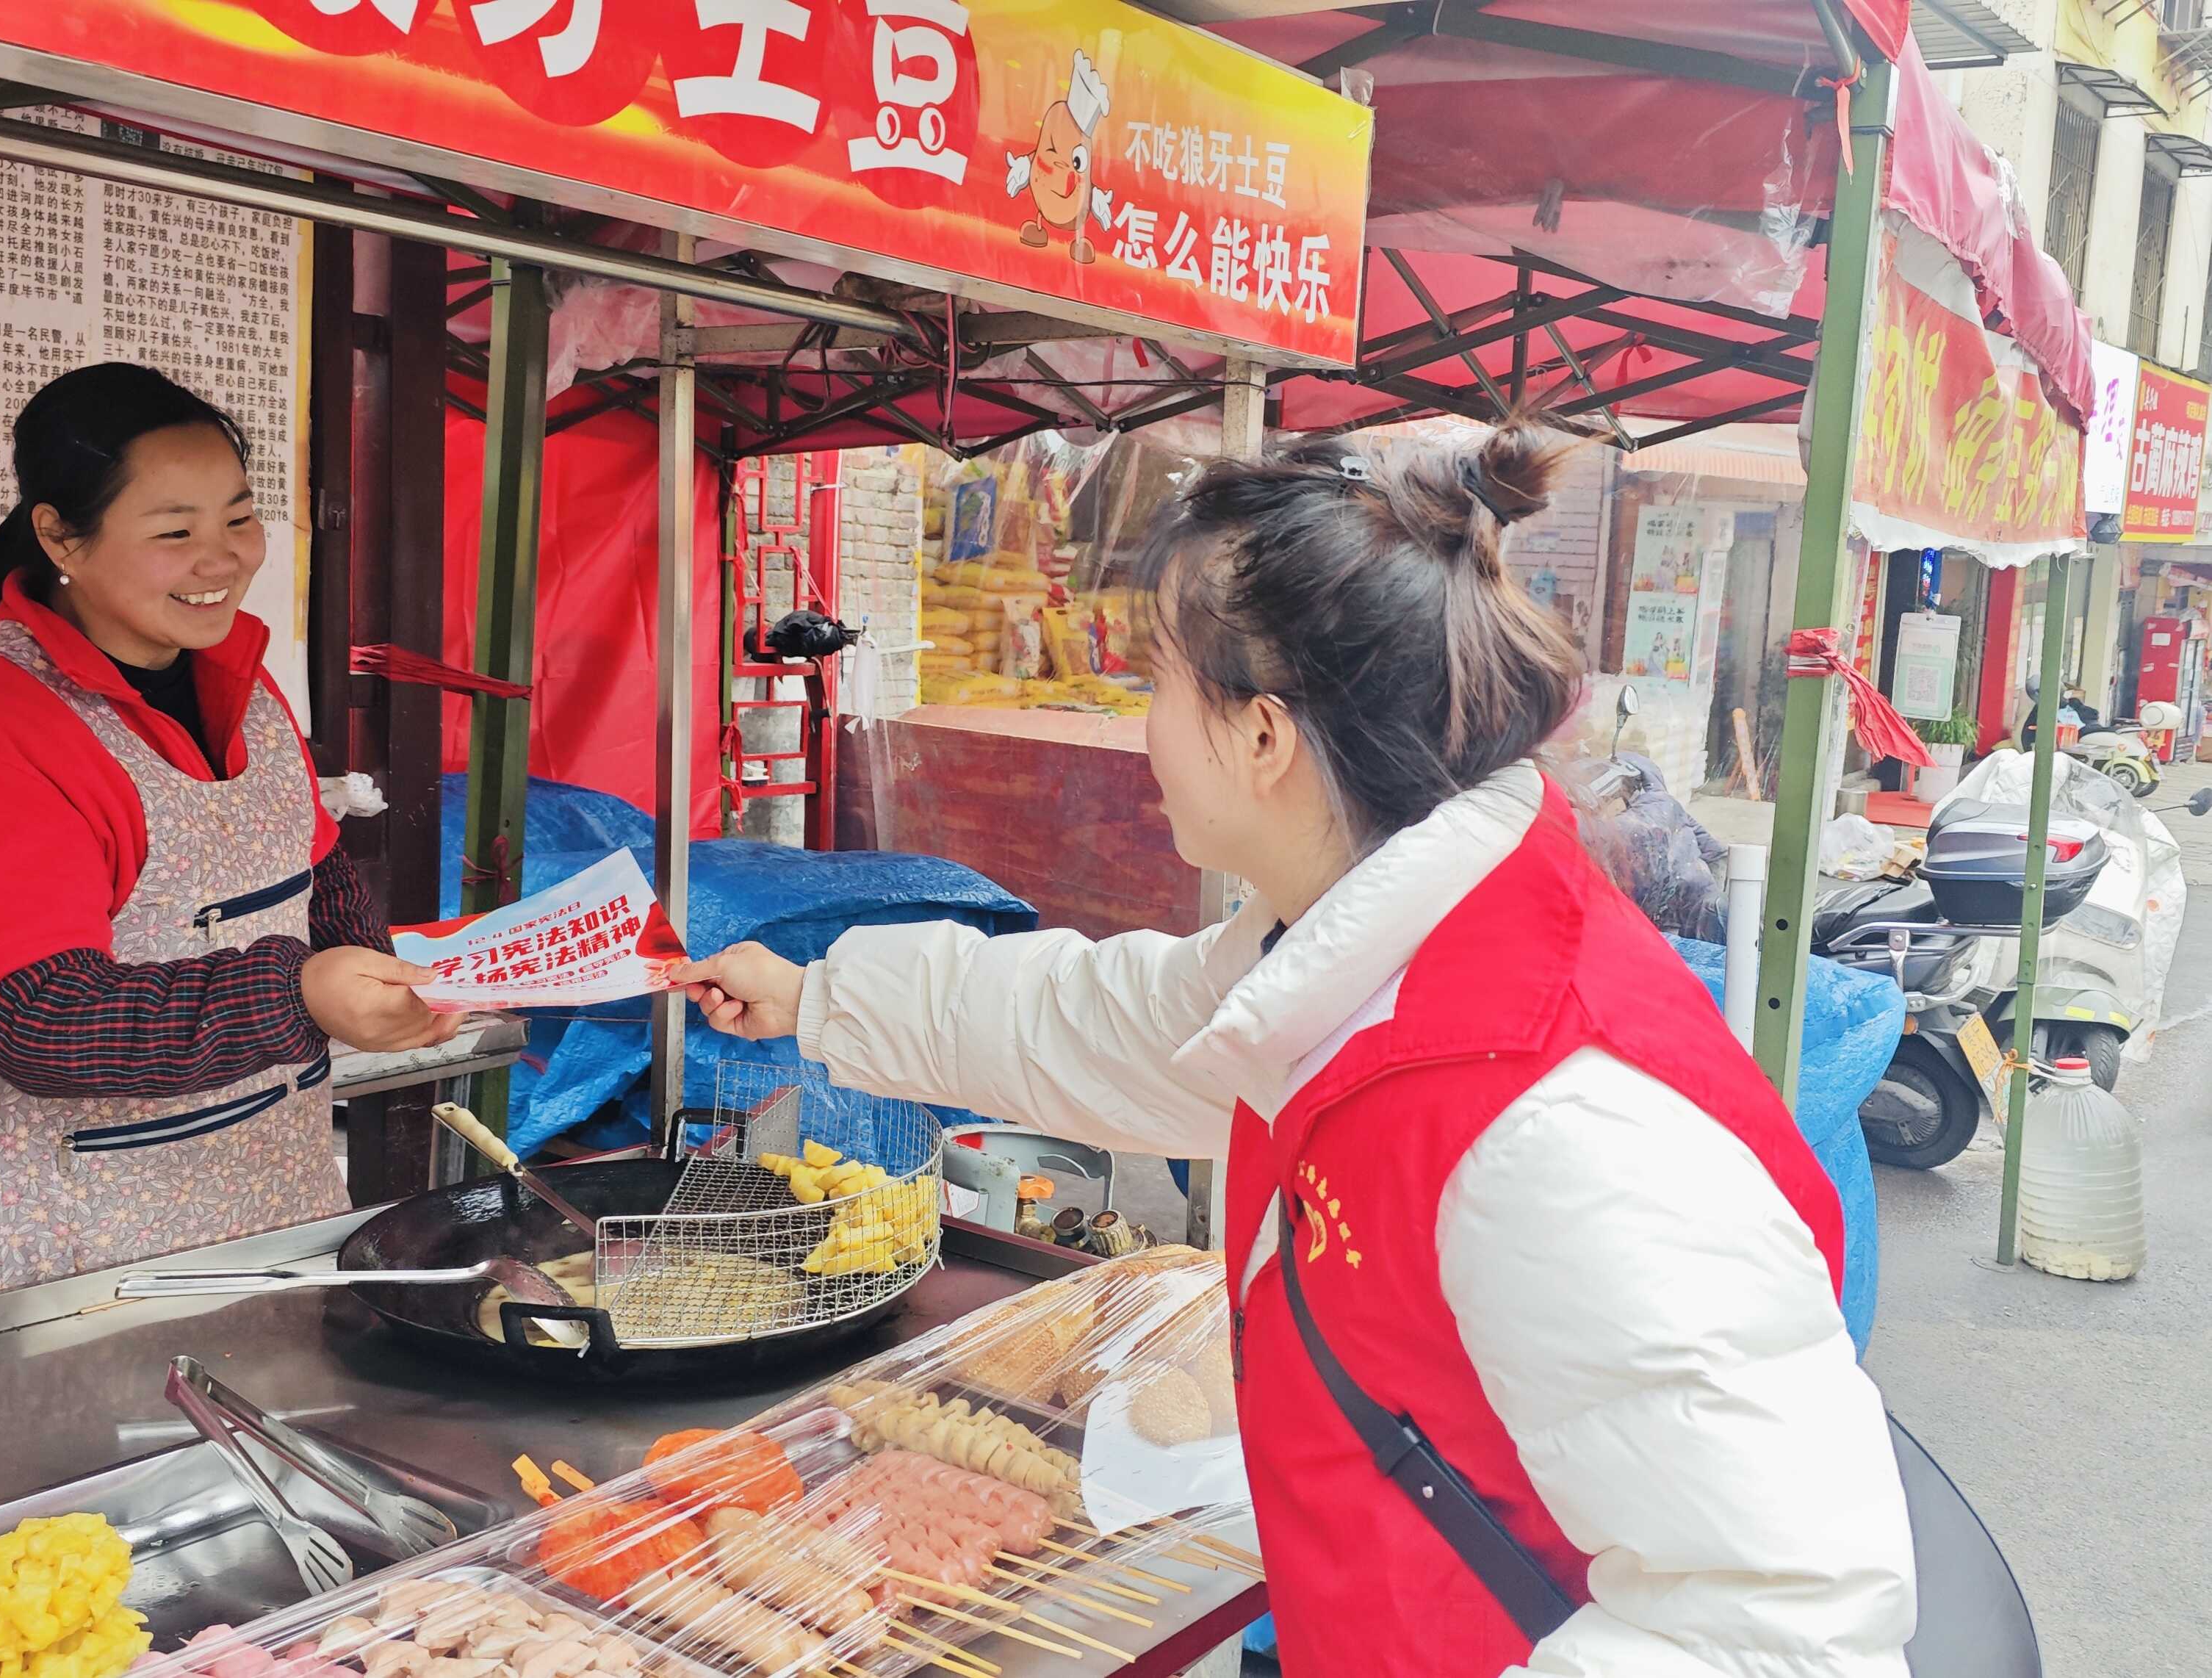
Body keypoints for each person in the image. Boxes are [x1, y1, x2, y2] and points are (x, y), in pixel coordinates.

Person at [677, 421, 1917, 1678]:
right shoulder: (1356, 961)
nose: (1142, 725)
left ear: (1262, 737)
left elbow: (1779, 1630)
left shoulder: (1555, 1116)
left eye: (1159, 682)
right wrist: (819, 996)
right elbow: (1106, 1019)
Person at [0, 362, 449, 1304]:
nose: (221, 560)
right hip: (79, 1215)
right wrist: (298, 993)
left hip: (271, 1172)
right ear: (60, 534)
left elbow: (308, 859)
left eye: (238, 518)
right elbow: (37, 1017)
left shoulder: (237, 678)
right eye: (175, 532)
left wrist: (368, 962)